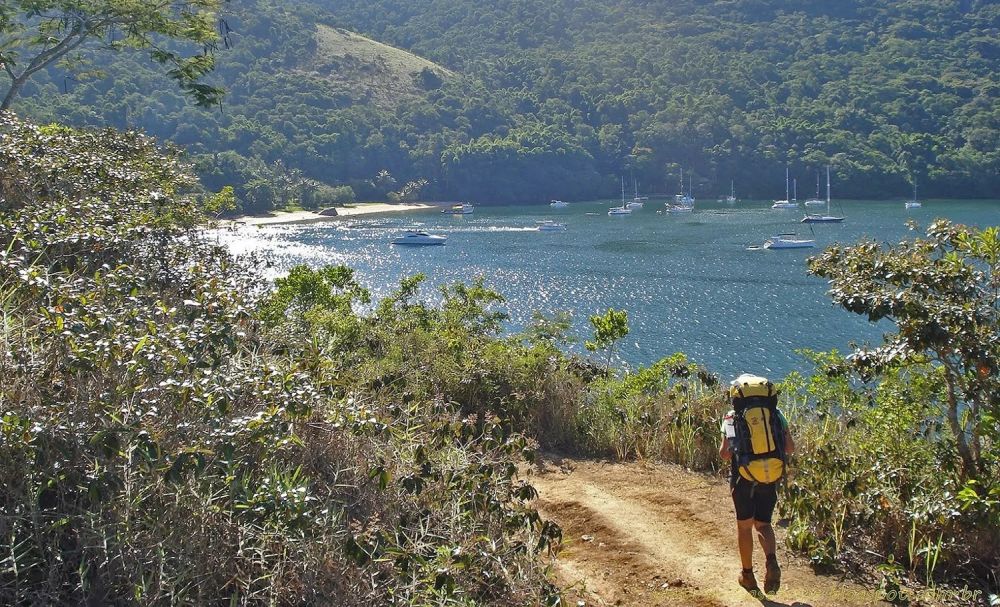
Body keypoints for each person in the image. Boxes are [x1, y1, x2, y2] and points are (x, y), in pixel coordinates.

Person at [719, 375, 795, 596]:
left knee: (744, 527)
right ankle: (771, 561)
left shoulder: (731, 418)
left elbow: (725, 454)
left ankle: (748, 575)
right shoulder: (778, 416)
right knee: (763, 524)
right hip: (769, 477)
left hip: (743, 477)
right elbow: (789, 448)